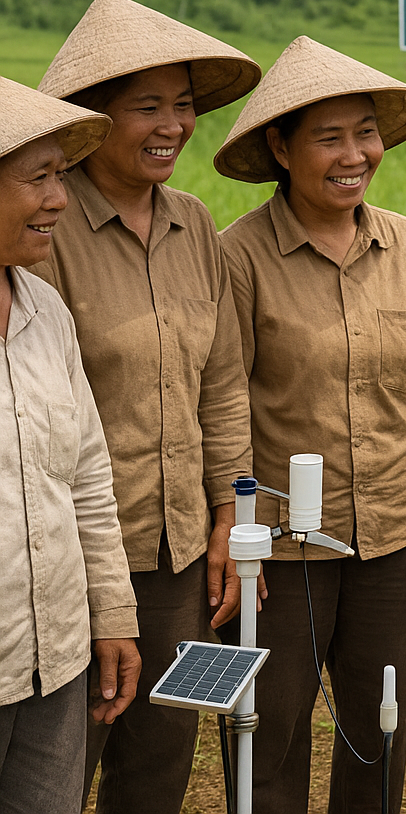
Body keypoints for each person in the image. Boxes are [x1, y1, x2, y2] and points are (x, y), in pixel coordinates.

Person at [214, 35, 406, 813]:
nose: (354, 153)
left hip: (392, 536)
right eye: (329, 137)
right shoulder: (240, 257)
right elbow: (222, 400)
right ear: (281, 148)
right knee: (269, 730)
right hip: (281, 547)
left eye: (366, 132)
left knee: (380, 729)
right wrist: (231, 525)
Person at [31, 0, 261, 814]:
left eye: (185, 106)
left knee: (161, 760)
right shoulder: (44, 226)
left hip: (176, 555)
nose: (173, 125)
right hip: (77, 556)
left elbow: (222, 385)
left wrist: (232, 516)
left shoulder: (195, 225)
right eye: (148, 107)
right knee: (57, 767)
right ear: (93, 116)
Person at [0, 77, 139, 814]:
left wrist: (111, 615)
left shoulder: (44, 309)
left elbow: (86, 477)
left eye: (63, 175)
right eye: (40, 179)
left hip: (55, 663)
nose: (60, 199)